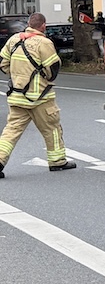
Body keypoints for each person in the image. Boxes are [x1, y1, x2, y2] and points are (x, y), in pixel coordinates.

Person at [0, 12, 77, 177]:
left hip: (17, 96)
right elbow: (53, 68)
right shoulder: (44, 42)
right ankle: (57, 162)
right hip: (40, 98)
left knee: (11, 131)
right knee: (52, 128)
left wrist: (17, 77)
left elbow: (3, 64)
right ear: (43, 26)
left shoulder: (14, 40)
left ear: (28, 24)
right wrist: (43, 78)